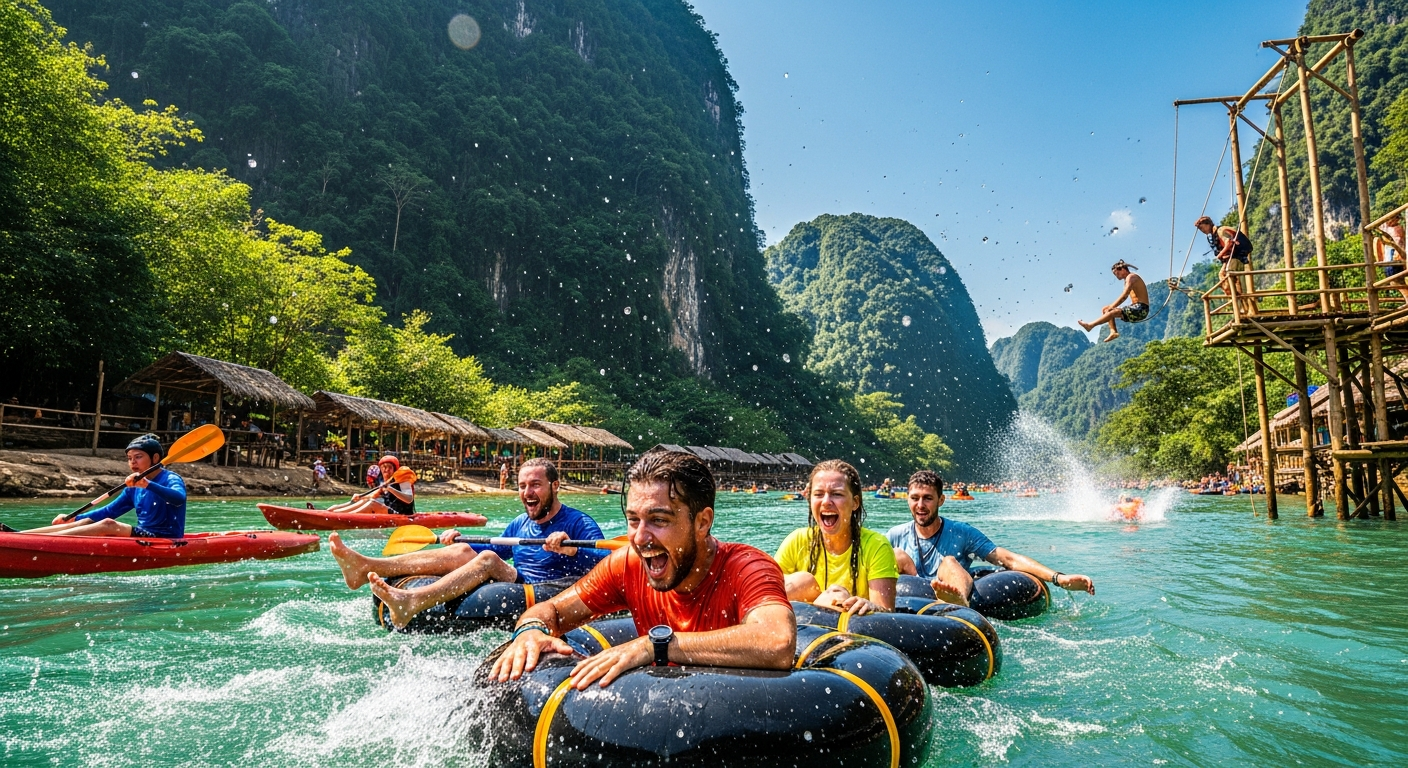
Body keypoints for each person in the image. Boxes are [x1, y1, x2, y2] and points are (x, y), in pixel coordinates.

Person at [489, 450, 795, 689]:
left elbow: (776, 642)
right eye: (634, 519)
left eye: (659, 520)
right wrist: (530, 632)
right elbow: (549, 611)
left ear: (702, 522)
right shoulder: (628, 565)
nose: (639, 537)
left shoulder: (747, 567)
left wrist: (655, 645)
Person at [329, 458, 607, 629]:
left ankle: (412, 601)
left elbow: (605, 567)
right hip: (519, 582)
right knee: (466, 550)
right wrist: (456, 539)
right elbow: (488, 551)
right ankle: (366, 567)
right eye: (522, 486)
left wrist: (573, 550)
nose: (526, 492)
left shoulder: (578, 523)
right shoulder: (520, 523)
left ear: (555, 486)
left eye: (535, 485)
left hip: (552, 591)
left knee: (487, 561)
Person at [888, 470, 1095, 606]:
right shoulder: (895, 535)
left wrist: (1059, 578)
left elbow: (1007, 559)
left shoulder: (961, 532)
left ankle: (958, 605)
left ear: (941, 500)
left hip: (952, 600)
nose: (920, 505)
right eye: (915, 498)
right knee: (895, 555)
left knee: (949, 561)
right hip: (911, 600)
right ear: (907, 499)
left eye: (928, 498)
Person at [774, 460, 898, 615]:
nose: (826, 502)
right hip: (804, 631)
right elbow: (764, 594)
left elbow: (887, 613)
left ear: (855, 502)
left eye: (837, 494)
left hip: (853, 633)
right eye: (818, 494)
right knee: (802, 583)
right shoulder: (796, 541)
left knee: (837, 595)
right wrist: (820, 602)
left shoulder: (877, 546)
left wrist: (871, 607)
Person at [26, 434, 186, 538]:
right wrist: (73, 518)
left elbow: (179, 499)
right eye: (129, 458)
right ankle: (21, 535)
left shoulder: (171, 478)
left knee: (108, 524)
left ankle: (42, 542)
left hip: (164, 537)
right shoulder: (133, 486)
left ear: (155, 458)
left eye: (138, 457)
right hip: (143, 534)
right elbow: (110, 510)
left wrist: (148, 485)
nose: (132, 462)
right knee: (86, 522)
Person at [1196, 216, 1256, 313]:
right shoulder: (1214, 235)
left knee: (1231, 278)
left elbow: (1229, 243)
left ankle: (1241, 306)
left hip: (1235, 257)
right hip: (1231, 258)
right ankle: (1236, 300)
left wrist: (1220, 254)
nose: (1202, 231)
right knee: (1224, 276)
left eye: (1202, 228)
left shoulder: (1220, 231)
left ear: (1208, 224)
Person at [1078, 260, 1149, 342]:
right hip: (1136, 308)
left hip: (1141, 309)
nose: (1116, 276)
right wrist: (1110, 307)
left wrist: (1112, 307)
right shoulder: (1127, 279)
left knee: (1112, 311)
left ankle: (1090, 325)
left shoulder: (1131, 277)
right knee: (1105, 309)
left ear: (1123, 269)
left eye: (1117, 273)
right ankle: (1113, 332)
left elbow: (1124, 296)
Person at [331, 454, 414, 515]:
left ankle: (343, 516)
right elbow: (371, 496)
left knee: (373, 504)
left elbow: (409, 499)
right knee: (366, 500)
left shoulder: (403, 480)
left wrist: (390, 489)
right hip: (391, 512)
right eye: (384, 467)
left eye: (390, 467)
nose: (386, 470)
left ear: (395, 469)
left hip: (403, 514)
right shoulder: (384, 484)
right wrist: (359, 496)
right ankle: (335, 511)